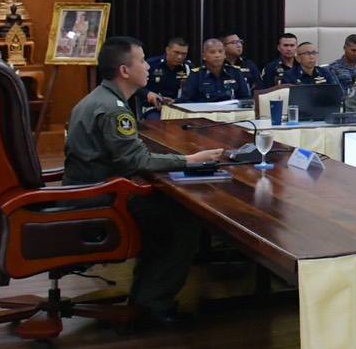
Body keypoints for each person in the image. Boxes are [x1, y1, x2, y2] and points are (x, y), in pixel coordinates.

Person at [64, 37, 223, 325]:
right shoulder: (113, 109)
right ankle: (155, 305)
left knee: (166, 206)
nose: (148, 67)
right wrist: (190, 160)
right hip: (100, 197)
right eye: (141, 61)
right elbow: (137, 161)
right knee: (183, 216)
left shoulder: (101, 97)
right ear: (124, 71)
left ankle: (146, 296)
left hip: (88, 189)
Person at [179, 38, 252, 102]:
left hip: (231, 111)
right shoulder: (196, 75)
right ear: (204, 56)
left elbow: (245, 98)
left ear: (225, 55)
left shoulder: (235, 72)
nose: (217, 55)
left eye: (220, 51)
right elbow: (185, 100)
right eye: (212, 52)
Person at [140, 36, 191, 116]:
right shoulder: (151, 65)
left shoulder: (187, 68)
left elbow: (191, 92)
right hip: (153, 108)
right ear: (167, 50)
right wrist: (148, 94)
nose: (179, 57)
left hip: (179, 107)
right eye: (176, 52)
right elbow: (136, 87)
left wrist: (177, 101)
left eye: (184, 54)